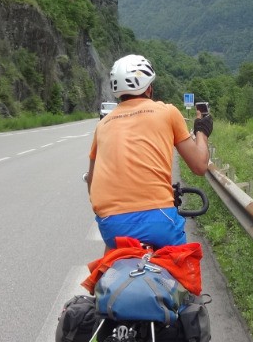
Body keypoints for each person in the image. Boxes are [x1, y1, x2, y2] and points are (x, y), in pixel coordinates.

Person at [85, 54, 213, 249]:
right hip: (158, 219)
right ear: (149, 88)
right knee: (181, 264)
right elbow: (199, 165)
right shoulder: (167, 112)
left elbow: (92, 183)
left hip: (111, 225)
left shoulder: (103, 125)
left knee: (111, 260)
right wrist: (202, 130)